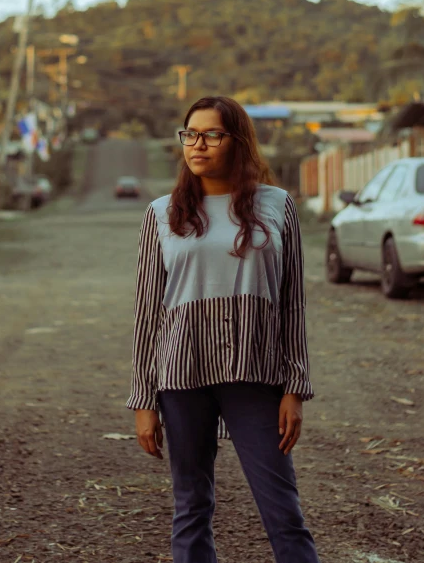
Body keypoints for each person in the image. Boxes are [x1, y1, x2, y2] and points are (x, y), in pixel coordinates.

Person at [127, 95, 321, 563]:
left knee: (282, 510)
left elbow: (292, 302)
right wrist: (142, 399)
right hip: (181, 377)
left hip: (254, 375)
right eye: (190, 134)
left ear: (237, 141)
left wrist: (294, 388)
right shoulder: (161, 213)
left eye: (212, 134)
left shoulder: (277, 205)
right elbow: (147, 311)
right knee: (192, 506)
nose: (198, 144)